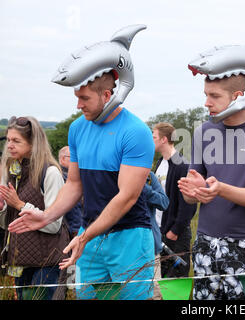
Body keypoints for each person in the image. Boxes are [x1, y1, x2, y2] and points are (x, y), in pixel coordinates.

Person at [8, 72, 156, 300]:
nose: (78, 105)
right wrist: (46, 216)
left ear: (107, 95)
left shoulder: (136, 131)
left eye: (84, 98)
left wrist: (86, 236)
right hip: (89, 236)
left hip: (130, 237)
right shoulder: (78, 128)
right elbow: (74, 184)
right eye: (77, 97)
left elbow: (127, 196)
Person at [178, 73, 245, 300]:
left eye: (215, 96)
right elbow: (191, 197)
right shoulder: (203, 131)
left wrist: (221, 189)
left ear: (238, 97)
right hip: (204, 245)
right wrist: (193, 192)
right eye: (206, 95)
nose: (207, 102)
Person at [0, 116, 70, 300]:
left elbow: (54, 224)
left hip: (47, 262)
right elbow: (6, 225)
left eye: (16, 141)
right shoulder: (12, 171)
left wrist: (19, 204)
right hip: (21, 261)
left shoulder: (51, 172)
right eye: (8, 140)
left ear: (33, 143)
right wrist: (2, 208)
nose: (9, 145)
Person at [152, 122, 197, 278]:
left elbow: (189, 203)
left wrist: (175, 230)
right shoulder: (159, 163)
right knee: (160, 278)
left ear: (164, 139)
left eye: (154, 137)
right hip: (159, 229)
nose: (151, 140)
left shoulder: (182, 164)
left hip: (175, 233)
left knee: (175, 280)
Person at [142, 171, 169, 300]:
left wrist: (144, 188)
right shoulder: (113, 174)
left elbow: (164, 202)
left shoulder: (149, 177)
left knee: (155, 293)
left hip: (151, 246)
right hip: (124, 247)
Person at [58, 146, 82, 238]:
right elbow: (74, 208)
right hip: (71, 230)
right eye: (75, 157)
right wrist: (76, 229)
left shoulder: (73, 176)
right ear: (63, 159)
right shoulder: (65, 178)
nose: (78, 161)